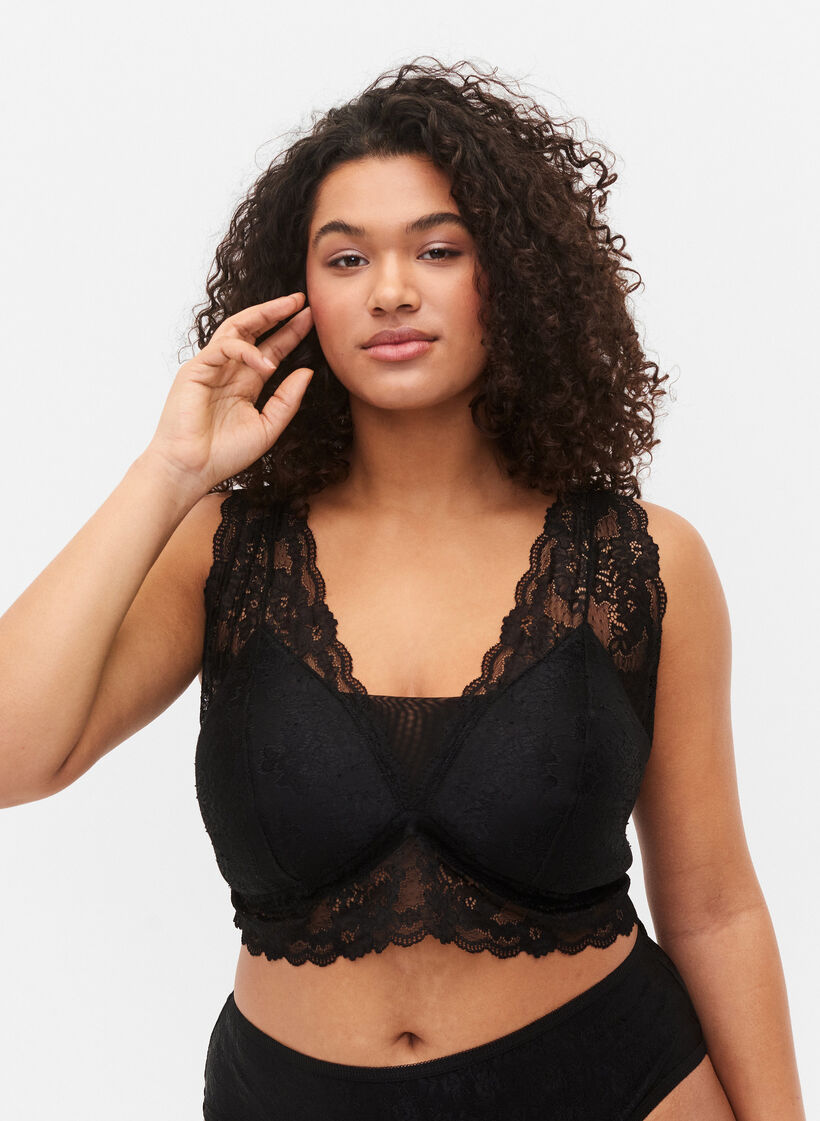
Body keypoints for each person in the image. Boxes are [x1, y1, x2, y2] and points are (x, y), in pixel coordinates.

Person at [0, 57, 805, 1121]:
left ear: (510, 276)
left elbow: (713, 906)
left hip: (615, 1081)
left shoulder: (640, 559)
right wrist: (170, 471)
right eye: (347, 258)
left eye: (437, 249)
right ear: (300, 296)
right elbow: (12, 756)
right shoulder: (221, 552)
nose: (390, 290)